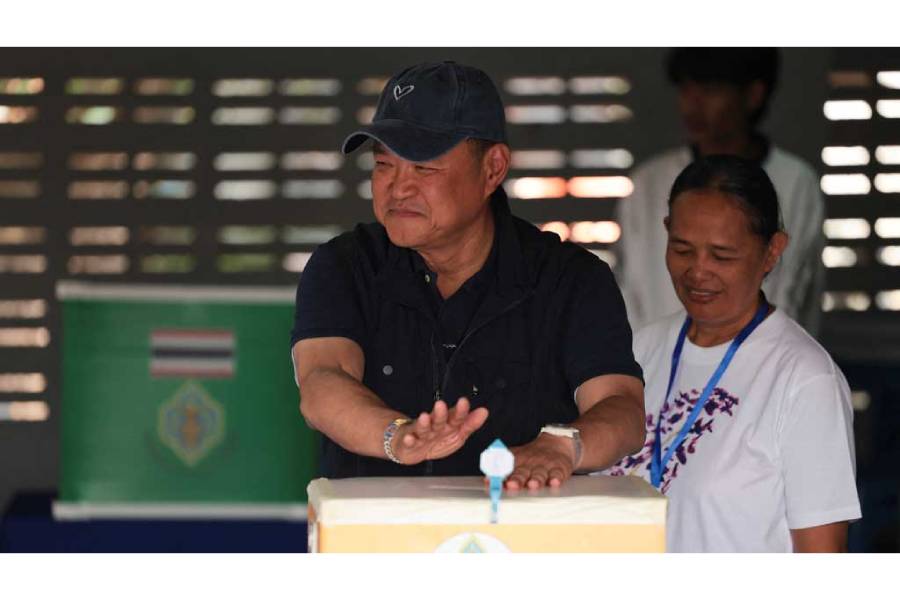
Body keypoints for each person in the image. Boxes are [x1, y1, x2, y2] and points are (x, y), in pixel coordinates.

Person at [290, 61, 645, 489]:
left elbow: (622, 408)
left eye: (424, 168)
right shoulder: (345, 266)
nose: (398, 188)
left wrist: (563, 445)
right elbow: (322, 382)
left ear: (492, 168)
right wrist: (396, 436)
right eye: (384, 165)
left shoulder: (570, 280)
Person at [605, 155, 861, 552]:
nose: (698, 272)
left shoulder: (805, 381)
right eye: (683, 249)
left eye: (722, 256)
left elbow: (822, 560)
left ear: (772, 251)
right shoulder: (638, 350)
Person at [615, 48, 825, 335]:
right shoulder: (650, 183)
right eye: (686, 89)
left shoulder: (797, 182)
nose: (693, 104)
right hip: (659, 369)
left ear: (753, 95)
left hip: (764, 367)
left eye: (710, 90)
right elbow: (630, 294)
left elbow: (802, 296)